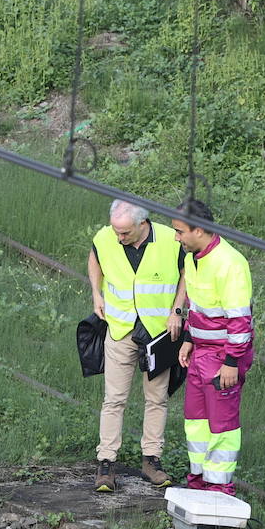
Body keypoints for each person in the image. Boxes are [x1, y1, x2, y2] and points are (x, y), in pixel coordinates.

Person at [88, 199, 188, 492]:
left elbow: (187, 273)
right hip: (120, 329)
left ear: (143, 224)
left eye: (125, 233)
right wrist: (96, 293)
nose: (119, 237)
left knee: (157, 398)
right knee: (113, 399)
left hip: (158, 332)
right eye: (116, 231)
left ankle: (151, 460)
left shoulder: (171, 240)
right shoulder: (105, 236)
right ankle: (106, 462)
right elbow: (95, 258)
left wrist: (177, 310)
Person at [171, 199, 254, 495]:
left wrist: (231, 363)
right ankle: (198, 483)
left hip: (223, 357)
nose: (176, 238)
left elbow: (240, 321)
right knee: (196, 422)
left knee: (222, 426)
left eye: (180, 231)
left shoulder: (230, 264)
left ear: (199, 230)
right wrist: (189, 339)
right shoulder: (193, 258)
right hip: (200, 352)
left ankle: (219, 491)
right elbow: (197, 305)